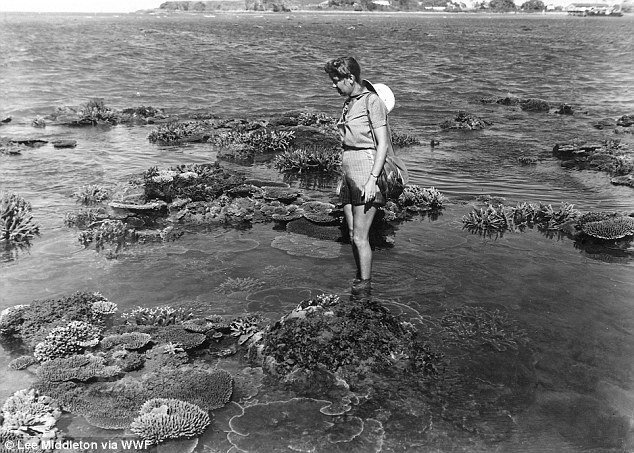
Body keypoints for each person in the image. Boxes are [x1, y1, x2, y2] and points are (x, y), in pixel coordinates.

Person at [323, 56, 393, 294]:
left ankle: (364, 286)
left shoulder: (372, 102)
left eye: (336, 80)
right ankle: (359, 276)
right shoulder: (349, 102)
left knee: (361, 237)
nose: (333, 85)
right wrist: (342, 179)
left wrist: (372, 180)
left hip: (366, 168)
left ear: (350, 78)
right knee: (353, 233)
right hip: (349, 170)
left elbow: (382, 144)